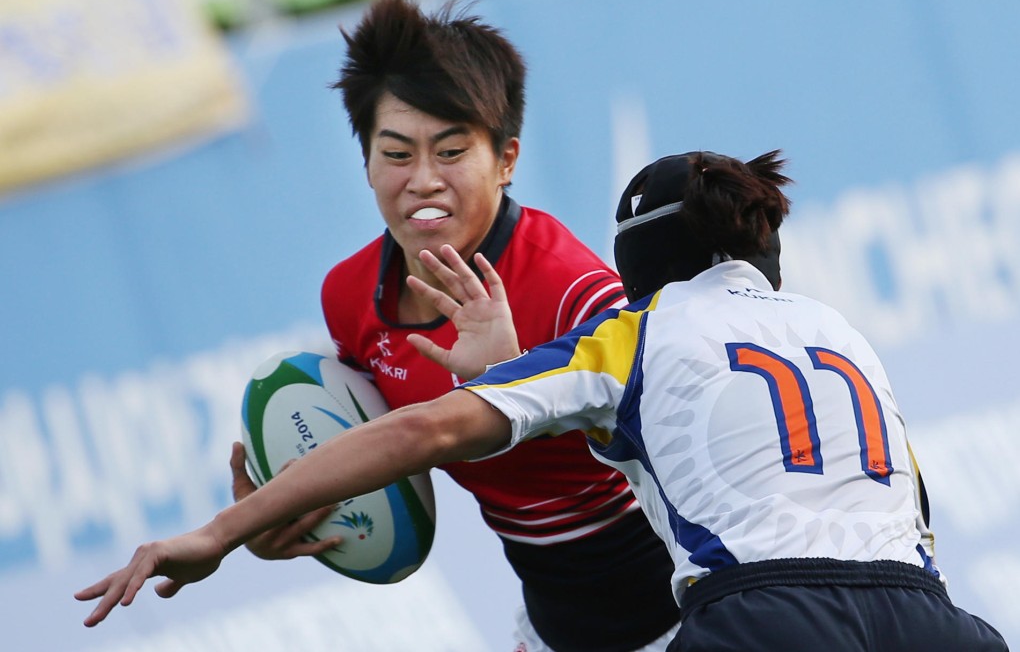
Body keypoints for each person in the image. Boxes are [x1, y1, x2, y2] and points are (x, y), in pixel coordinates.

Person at [76, 149, 1009, 651]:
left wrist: (223, 529)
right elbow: (910, 515)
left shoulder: (633, 333)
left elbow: (432, 426)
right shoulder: (842, 333)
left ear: (632, 272)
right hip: (930, 618)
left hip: (769, 618)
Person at [227, 0, 681, 652]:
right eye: (397, 153)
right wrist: (279, 512)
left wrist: (523, 383)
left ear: (506, 160)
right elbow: (388, 446)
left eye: (450, 151)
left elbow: (689, 442)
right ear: (366, 161)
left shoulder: (573, 292)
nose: (423, 180)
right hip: (556, 627)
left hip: (689, 614)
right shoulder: (350, 297)